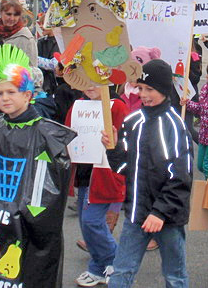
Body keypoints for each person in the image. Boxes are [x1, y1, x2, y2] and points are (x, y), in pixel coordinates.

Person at [0, 44, 76, 288]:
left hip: (32, 225)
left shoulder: (47, 134)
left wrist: (27, 212)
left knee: (32, 273)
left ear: (27, 95)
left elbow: (52, 187)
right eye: (0, 94)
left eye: (11, 92)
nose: (5, 98)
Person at [101, 59, 192, 288]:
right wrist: (112, 148)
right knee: (121, 272)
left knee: (174, 275)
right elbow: (123, 168)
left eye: (150, 89)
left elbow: (181, 177)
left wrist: (159, 213)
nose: (144, 94)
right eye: (140, 88)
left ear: (163, 89)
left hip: (167, 218)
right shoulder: (132, 122)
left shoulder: (175, 126)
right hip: (136, 213)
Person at [67, 86, 128, 287]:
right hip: (85, 173)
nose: (90, 86)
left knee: (93, 222)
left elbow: (126, 142)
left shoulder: (117, 106)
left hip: (105, 174)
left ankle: (117, 262)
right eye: (85, 80)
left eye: (95, 80)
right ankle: (97, 268)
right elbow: (67, 134)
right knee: (87, 224)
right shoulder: (78, 105)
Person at [0, 0, 37, 66]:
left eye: (16, 15)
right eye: (8, 14)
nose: (12, 18)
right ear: (1, 13)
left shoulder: (26, 38)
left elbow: (33, 69)